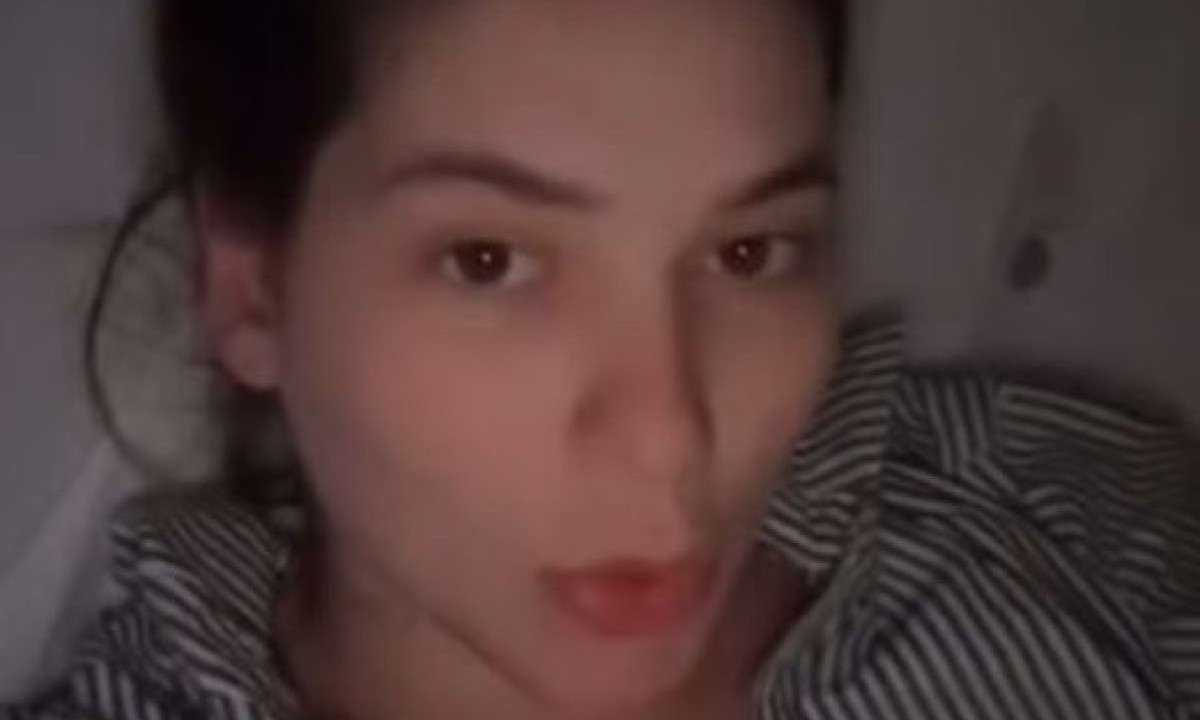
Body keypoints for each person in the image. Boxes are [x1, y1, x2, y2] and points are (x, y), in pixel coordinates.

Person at [4, 0, 1199, 719]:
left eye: (748, 251)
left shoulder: (1066, 518)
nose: (670, 438)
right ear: (253, 288)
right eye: (488, 261)